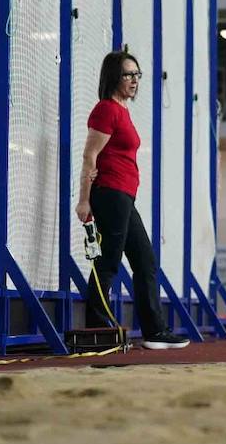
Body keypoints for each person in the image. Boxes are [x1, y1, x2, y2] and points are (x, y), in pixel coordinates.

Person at [76, 51, 188, 349]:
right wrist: (83, 201)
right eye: (128, 74)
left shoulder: (122, 110)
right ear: (114, 76)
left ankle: (154, 332)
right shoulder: (106, 110)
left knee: (146, 262)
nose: (135, 80)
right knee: (108, 261)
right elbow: (90, 156)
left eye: (137, 74)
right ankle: (98, 330)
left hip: (125, 195)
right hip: (109, 193)